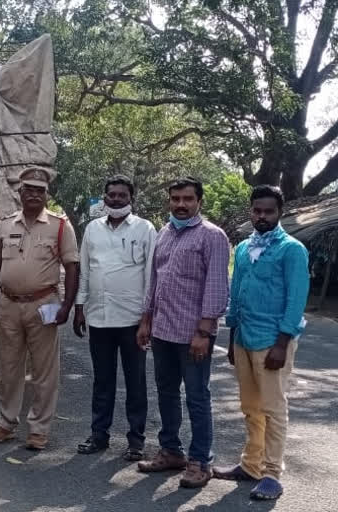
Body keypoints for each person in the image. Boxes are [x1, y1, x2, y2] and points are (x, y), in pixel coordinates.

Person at [214, 185, 309, 501]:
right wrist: (232, 339)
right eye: (257, 210)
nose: (262, 216)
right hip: (244, 339)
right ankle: (251, 465)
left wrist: (282, 343)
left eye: (269, 211)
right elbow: (236, 294)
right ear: (251, 210)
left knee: (272, 409)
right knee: (250, 408)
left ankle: (271, 474)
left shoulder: (292, 249)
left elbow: (296, 300)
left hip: (273, 341)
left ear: (279, 212)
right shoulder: (242, 249)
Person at [136, 177, 229, 488]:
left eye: (187, 198)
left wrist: (204, 332)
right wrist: (146, 320)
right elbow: (154, 279)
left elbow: (217, 288)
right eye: (175, 198)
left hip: (193, 335)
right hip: (162, 330)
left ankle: (201, 460)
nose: (180, 204)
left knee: (197, 397)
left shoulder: (212, 236)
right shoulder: (164, 233)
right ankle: (171, 451)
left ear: (199, 201)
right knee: (165, 392)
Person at [0, 167, 80, 451]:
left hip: (43, 304)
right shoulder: (5, 224)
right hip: (8, 304)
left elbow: (72, 266)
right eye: (29, 190)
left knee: (44, 371)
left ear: (46, 194)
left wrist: (66, 306)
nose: (34, 194)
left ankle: (38, 429)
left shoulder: (60, 225)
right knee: (8, 367)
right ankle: (5, 423)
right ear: (20, 193)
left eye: (40, 190)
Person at [74, 175, 156, 461]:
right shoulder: (92, 229)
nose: (117, 199)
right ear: (105, 197)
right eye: (112, 195)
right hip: (98, 317)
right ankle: (99, 435)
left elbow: (151, 276)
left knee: (135, 382)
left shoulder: (145, 229)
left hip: (133, 319)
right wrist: (79, 307)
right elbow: (85, 270)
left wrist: (147, 319)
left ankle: (136, 440)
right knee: (102, 380)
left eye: (122, 195)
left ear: (131, 198)